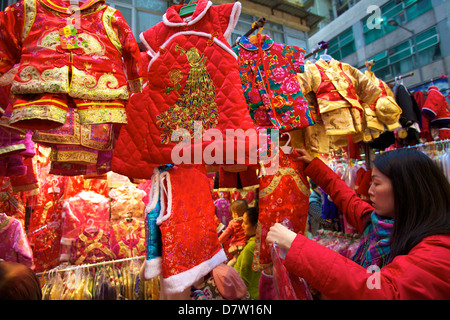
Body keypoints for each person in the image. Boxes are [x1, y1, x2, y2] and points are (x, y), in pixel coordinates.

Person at [266, 148, 450, 299]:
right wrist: (314, 167)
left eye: (376, 184)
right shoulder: (379, 224)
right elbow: (348, 199)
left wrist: (298, 247)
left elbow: (385, 292)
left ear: (406, 189)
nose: (369, 191)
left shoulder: (438, 250)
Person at [233, 206, 261, 299]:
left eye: (245, 223)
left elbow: (244, 282)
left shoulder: (251, 248)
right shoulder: (262, 242)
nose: (242, 226)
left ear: (256, 226)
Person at [219, 199, 248, 266]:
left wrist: (218, 241)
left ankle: (229, 269)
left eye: (232, 213)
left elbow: (226, 234)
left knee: (234, 260)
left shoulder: (233, 223)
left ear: (236, 214)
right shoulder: (246, 220)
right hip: (246, 243)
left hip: (237, 246)